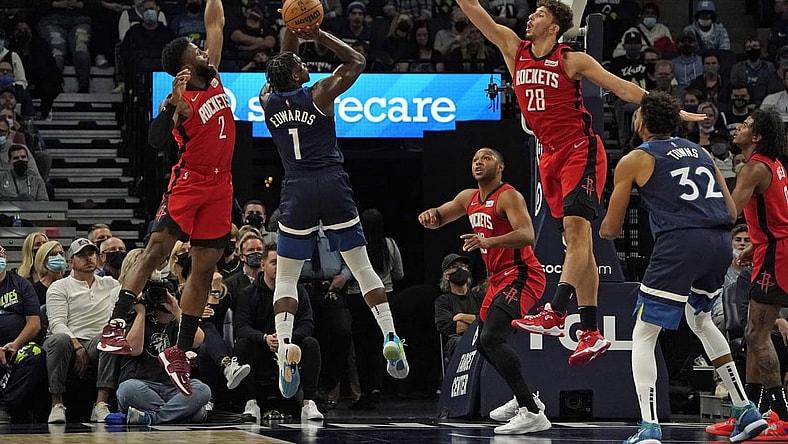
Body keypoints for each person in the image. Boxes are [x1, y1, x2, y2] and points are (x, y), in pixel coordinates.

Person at [455, 0, 704, 367]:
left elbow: (621, 88)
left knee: (575, 232)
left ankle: (555, 310)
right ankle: (590, 331)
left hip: (579, 150)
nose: (531, 17)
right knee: (578, 242)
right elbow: (473, 9)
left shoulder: (572, 59)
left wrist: (667, 107)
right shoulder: (513, 48)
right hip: (548, 156)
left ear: (555, 27)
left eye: (540, 14)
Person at [599, 91, 767, 444]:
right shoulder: (702, 153)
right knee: (701, 320)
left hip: (681, 243)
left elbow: (612, 230)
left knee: (644, 333)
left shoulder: (634, 159)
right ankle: (745, 408)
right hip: (719, 241)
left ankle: (648, 427)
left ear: (640, 122)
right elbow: (732, 211)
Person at [259, 26, 409, 399]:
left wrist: (292, 31)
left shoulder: (266, 99)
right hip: (331, 184)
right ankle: (390, 335)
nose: (302, 60)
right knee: (362, 268)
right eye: (298, 62)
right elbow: (356, 60)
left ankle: (285, 350)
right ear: (296, 74)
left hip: (296, 189)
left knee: (286, 280)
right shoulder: (320, 93)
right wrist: (319, 33)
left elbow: (282, 62)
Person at [98, 0, 234, 398]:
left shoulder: (214, 79)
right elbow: (157, 140)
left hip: (221, 186)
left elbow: (216, 22)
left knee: (205, 271)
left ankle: (178, 348)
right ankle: (117, 322)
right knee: (156, 250)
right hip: (189, 182)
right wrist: (171, 107)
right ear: (185, 68)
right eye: (197, 52)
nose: (205, 51)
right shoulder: (181, 100)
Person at [419, 147, 549, 435]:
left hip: (522, 274)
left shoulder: (508, 196)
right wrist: (430, 217)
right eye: (475, 159)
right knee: (483, 343)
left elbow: (527, 234)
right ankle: (525, 399)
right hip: (498, 280)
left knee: (491, 335)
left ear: (501, 166)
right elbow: (441, 216)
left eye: (486, 158)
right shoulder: (469, 198)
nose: (479, 162)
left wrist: (488, 242)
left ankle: (531, 412)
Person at [725, 108, 788, 437]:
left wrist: (713, 173)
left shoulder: (753, 167)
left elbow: (729, 211)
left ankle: (781, 414)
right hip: (770, 247)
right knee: (753, 333)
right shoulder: (773, 165)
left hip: (776, 253)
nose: (739, 128)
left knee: (758, 336)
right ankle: (748, 413)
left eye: (746, 125)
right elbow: (774, 213)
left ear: (757, 136)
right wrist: (755, 244)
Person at [233, 242, 323, 422]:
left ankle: (308, 403)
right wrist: (264, 338)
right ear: (263, 264)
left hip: (291, 348)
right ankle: (251, 403)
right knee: (242, 345)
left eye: (282, 263)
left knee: (311, 344)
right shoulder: (248, 293)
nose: (279, 267)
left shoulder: (299, 291)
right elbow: (241, 327)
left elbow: (307, 324)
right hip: (262, 347)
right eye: (274, 262)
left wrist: (286, 340)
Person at [0, 243, 47, 424]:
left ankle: (4, 407)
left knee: (35, 354)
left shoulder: (21, 284)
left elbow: (34, 323)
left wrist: (15, 344)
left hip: (17, 346)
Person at [434, 253, 482, 362]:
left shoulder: (480, 297)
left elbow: (490, 320)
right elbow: (447, 329)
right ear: (446, 275)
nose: (460, 269)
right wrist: (477, 321)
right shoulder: (443, 301)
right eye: (455, 267)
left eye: (463, 266)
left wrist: (461, 316)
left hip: (482, 337)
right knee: (460, 341)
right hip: (456, 343)